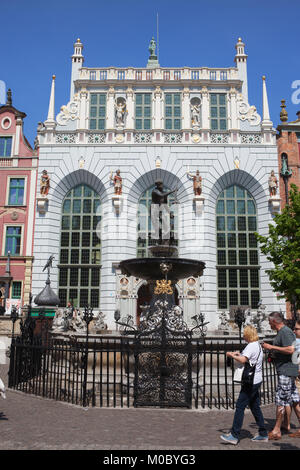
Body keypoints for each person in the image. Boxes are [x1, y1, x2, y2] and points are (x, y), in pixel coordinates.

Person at [220, 325, 268, 445]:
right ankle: (263, 433)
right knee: (255, 406)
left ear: (248, 334)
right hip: (257, 380)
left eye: (244, 334)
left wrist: (231, 355)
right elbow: (247, 357)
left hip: (250, 382)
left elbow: (243, 360)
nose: (243, 336)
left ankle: (234, 435)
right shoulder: (257, 344)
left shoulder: (251, 346)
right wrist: (238, 353)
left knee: (240, 406)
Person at [262, 312, 300, 439]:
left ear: (274, 321)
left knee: (281, 400)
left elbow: (291, 349)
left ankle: (276, 430)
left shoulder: (285, 332)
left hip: (286, 371)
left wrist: (271, 347)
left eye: (269, 321)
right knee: (295, 401)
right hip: (288, 370)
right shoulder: (283, 332)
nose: (268, 324)